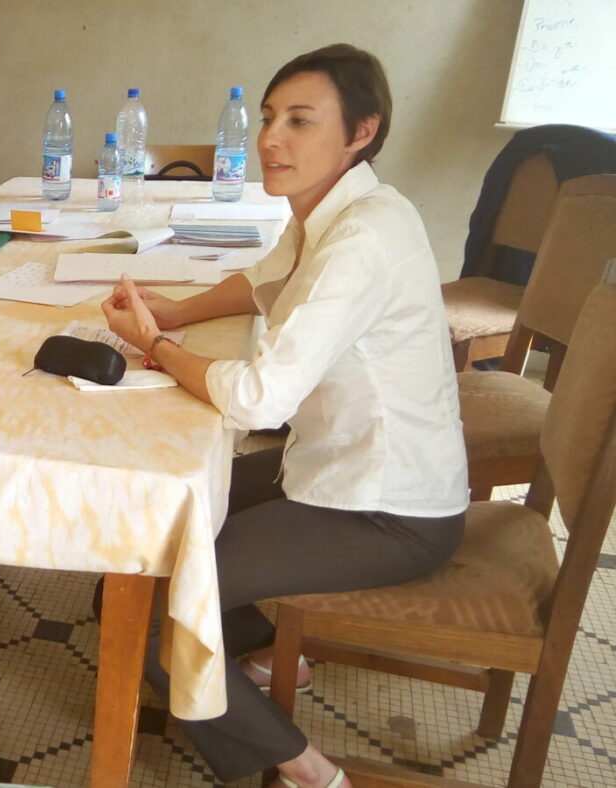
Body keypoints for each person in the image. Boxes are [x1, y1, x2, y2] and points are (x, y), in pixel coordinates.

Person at [101, 45, 467, 788]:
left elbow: (259, 397)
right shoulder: (342, 211)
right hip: (339, 466)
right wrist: (177, 309)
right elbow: (265, 280)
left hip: (387, 509)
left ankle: (310, 772)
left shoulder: (362, 238)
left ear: (360, 131)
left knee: (153, 600)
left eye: (300, 121)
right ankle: (267, 656)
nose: (271, 139)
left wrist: (160, 347)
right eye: (269, 119)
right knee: (139, 553)